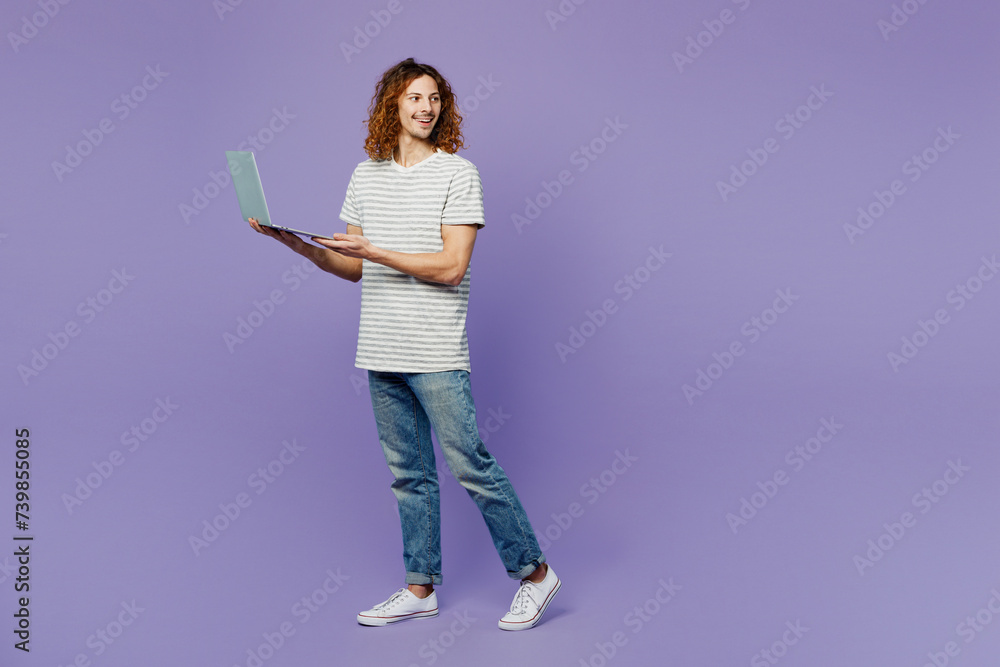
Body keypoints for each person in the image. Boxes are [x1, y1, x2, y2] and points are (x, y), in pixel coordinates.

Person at [247, 57, 559, 631]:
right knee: (408, 475)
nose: (426, 107)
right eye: (415, 97)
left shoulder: (459, 174)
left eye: (435, 98)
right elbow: (352, 267)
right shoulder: (365, 175)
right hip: (381, 350)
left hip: (436, 350)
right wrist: (294, 243)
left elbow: (451, 268)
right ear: (392, 104)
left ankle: (536, 575)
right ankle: (421, 587)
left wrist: (378, 251)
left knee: (470, 466)